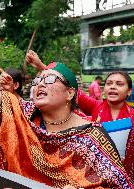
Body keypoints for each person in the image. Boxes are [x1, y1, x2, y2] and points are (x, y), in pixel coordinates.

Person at [0, 20, 133, 188]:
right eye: (38, 80)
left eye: (49, 80)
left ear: (70, 93)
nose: (40, 83)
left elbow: (117, 185)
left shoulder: (91, 137)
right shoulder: (21, 114)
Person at [26, 50, 134, 182]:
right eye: (109, 83)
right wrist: (42, 67)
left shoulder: (132, 114)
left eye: (119, 84)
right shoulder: (96, 107)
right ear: (103, 89)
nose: (113, 87)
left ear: (129, 91)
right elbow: (70, 90)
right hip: (96, 171)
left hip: (126, 170)